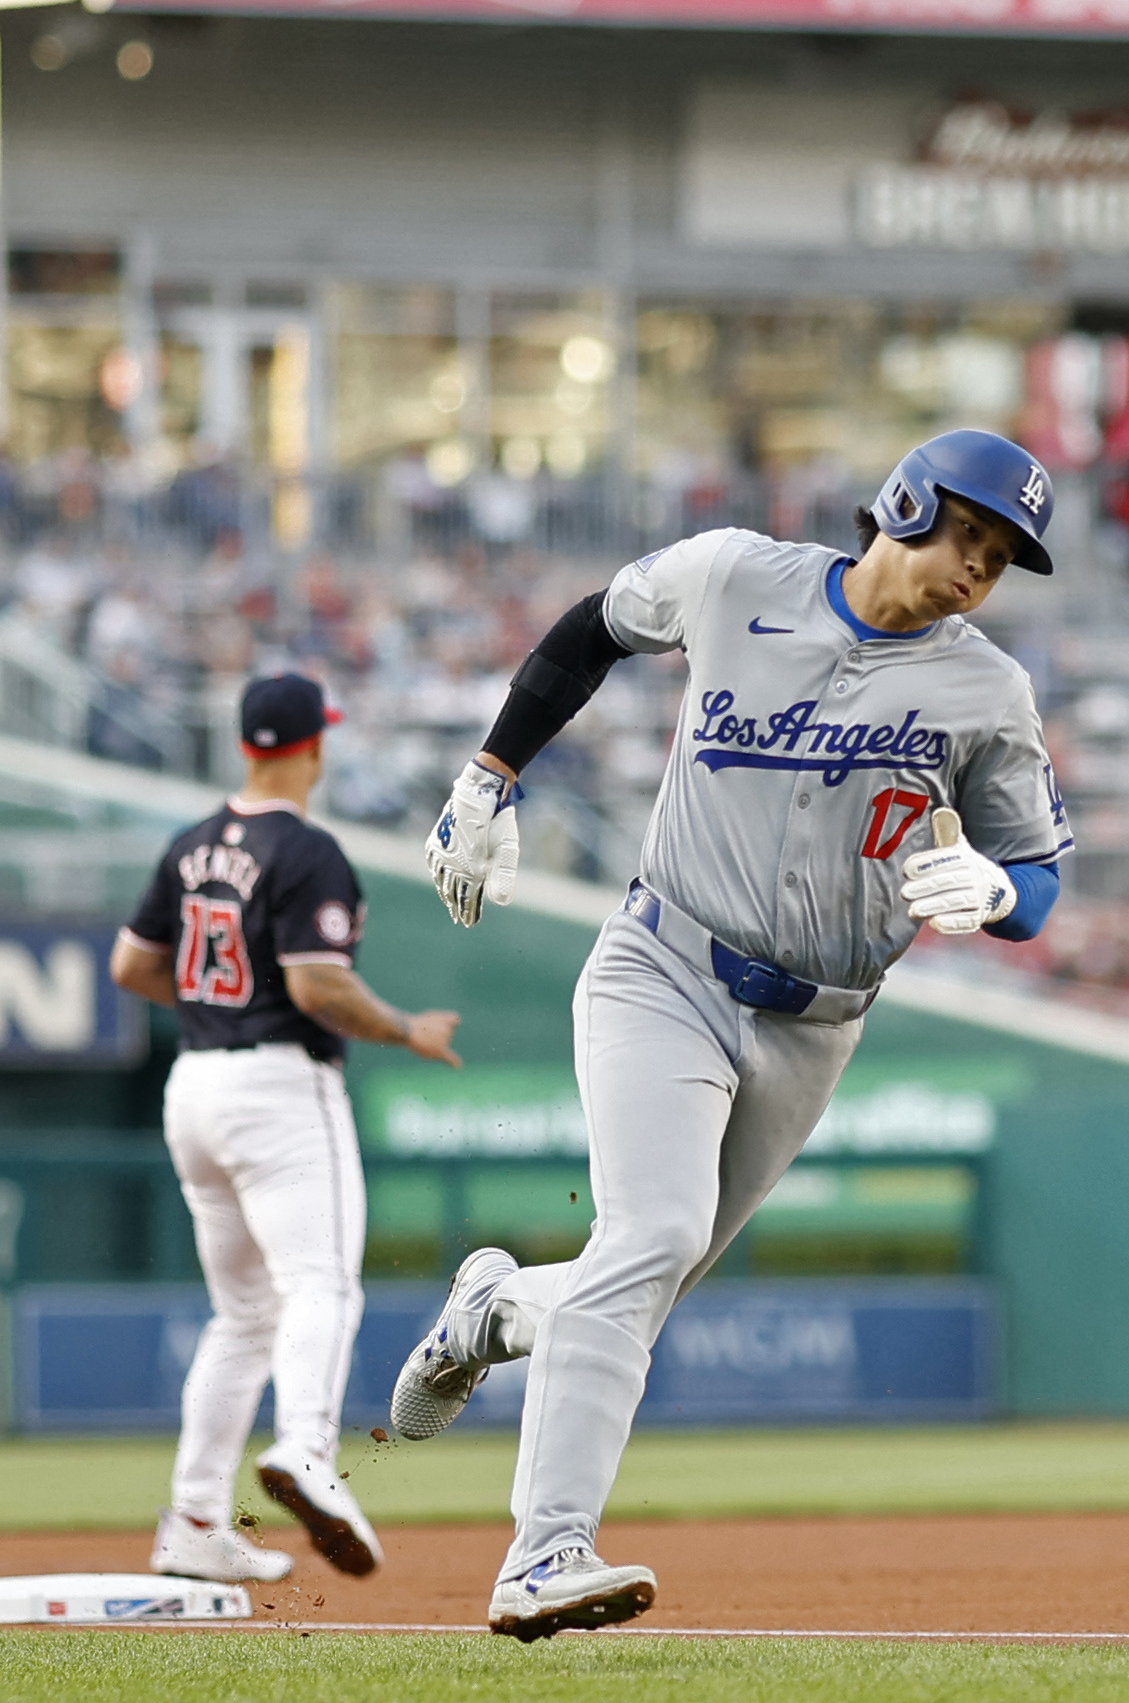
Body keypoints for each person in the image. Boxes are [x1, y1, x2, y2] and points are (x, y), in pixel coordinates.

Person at [393, 430, 1071, 1641]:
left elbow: (1036, 872)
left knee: (633, 1290)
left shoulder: (987, 689)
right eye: (968, 530)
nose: (980, 564)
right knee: (647, 1234)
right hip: (665, 962)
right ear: (904, 501)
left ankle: (493, 1311)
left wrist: (1006, 895)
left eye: (1003, 552)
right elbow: (593, 623)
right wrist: (489, 773)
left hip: (819, 1023)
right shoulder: (733, 576)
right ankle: (541, 1556)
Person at [109, 674, 464, 1585]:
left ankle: (192, 1518)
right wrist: (404, 1029)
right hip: (277, 1083)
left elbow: (131, 965)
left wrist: (212, 1001)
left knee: (243, 1315)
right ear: (314, 746)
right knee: (322, 1285)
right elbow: (314, 986)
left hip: (193, 1084)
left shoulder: (190, 844)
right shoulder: (307, 850)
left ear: (247, 745)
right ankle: (305, 1450)